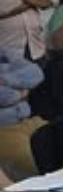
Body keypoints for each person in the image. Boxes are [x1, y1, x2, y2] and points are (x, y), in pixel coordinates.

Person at [0, 47, 47, 180]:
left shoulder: (4, 52)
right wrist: (21, 93)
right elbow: (4, 97)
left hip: (29, 120)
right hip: (5, 128)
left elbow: (36, 74)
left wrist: (6, 80)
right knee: (36, 165)